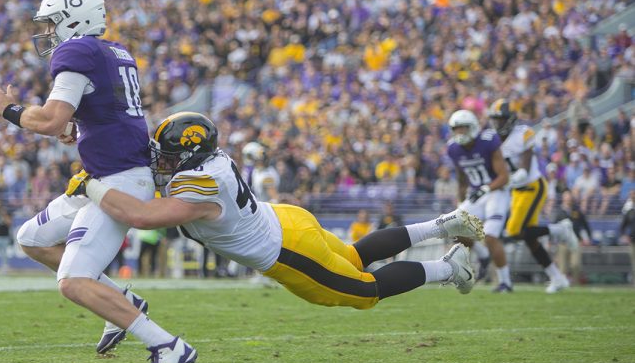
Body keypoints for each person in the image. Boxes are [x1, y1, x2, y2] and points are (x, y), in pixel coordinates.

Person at [0, 0, 194, 363]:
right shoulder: (114, 51)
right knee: (31, 238)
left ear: (73, 19)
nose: (46, 33)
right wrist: (79, 127)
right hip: (105, 176)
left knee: (74, 281)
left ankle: (167, 345)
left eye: (50, 24)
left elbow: (49, 120)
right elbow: (108, 114)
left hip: (118, 182)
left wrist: (6, 109)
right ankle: (125, 302)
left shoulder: (76, 51)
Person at [68, 112, 483, 312]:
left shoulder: (198, 183)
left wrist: (92, 183)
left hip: (284, 248)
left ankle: (451, 268)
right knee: (354, 257)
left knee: (363, 291)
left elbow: (141, 216)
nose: (160, 160)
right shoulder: (208, 162)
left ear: (189, 153)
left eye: (169, 154)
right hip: (289, 219)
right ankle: (441, 224)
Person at [488, 100, 579, 294]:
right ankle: (557, 277)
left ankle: (560, 229)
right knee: (529, 237)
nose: (498, 124)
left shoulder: (523, 134)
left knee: (513, 231)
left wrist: (502, 182)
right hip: (517, 191)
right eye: (496, 120)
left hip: (532, 186)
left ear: (511, 119)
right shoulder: (493, 140)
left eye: (501, 119)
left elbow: (523, 171)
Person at [446, 109, 512, 292]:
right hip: (476, 194)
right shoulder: (453, 148)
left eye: (463, 129)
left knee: (490, 236)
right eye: (457, 129)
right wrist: (460, 201)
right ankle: (483, 256)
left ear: (473, 127)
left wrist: (485, 188)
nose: (460, 133)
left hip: (496, 191)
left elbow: (504, 176)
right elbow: (461, 178)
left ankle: (505, 282)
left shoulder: (488, 142)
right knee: (454, 227)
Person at [620, 191, 635, 283]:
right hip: (633, 240)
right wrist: (625, 235)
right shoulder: (629, 212)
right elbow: (623, 226)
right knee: (634, 262)